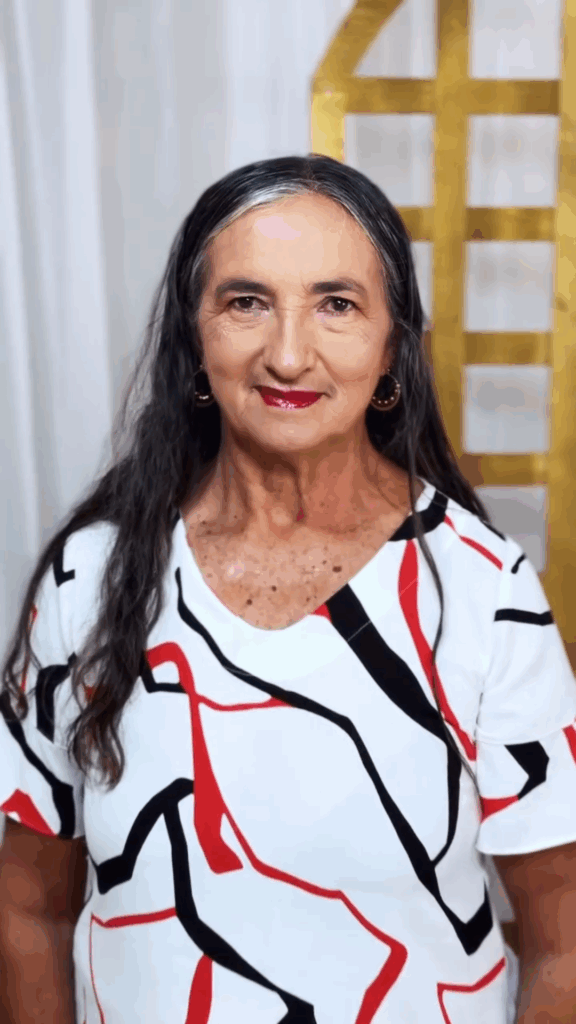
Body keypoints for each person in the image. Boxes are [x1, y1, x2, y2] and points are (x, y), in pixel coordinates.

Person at [1, 155, 576, 1024]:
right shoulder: (93, 579)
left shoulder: (482, 591)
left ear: (393, 347)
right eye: (247, 302)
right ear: (195, 338)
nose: (288, 354)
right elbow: (28, 911)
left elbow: (562, 943)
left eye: (336, 304)